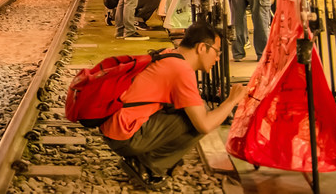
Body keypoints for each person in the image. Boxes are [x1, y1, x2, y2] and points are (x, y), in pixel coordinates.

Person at [101, 22, 245, 190]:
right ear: (201, 48)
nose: (218, 58)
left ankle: (146, 158)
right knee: (199, 119)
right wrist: (231, 101)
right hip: (124, 136)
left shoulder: (169, 54)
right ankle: (147, 166)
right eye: (217, 51)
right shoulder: (181, 70)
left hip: (115, 127)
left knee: (194, 109)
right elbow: (204, 125)